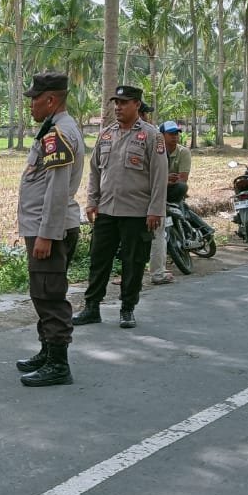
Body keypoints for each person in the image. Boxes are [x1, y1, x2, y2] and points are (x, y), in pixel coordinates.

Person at [74, 84, 168, 329]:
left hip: (137, 212)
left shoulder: (151, 135)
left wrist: (155, 210)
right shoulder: (106, 134)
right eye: (116, 102)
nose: (118, 107)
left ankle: (127, 308)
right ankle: (92, 307)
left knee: (133, 262)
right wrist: (92, 201)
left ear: (137, 104)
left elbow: (159, 176)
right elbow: (94, 171)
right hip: (106, 210)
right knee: (99, 260)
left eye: (123, 103)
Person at [15, 71, 86, 387]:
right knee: (42, 292)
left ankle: (59, 364)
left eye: (34, 99)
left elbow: (57, 190)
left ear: (51, 99)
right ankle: (48, 350)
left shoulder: (59, 133)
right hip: (46, 227)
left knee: (50, 295)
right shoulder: (53, 129)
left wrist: (46, 234)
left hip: (50, 230)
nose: (31, 105)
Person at [149, 120, 213, 285]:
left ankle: (204, 230)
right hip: (157, 191)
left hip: (173, 190)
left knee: (182, 194)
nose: (175, 137)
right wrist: (163, 180)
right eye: (171, 134)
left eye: (177, 133)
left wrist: (164, 181)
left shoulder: (183, 152)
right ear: (161, 135)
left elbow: (182, 178)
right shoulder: (155, 151)